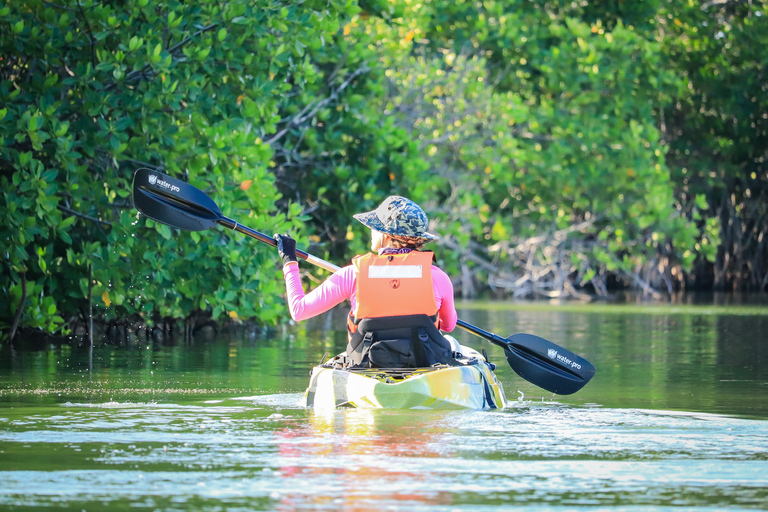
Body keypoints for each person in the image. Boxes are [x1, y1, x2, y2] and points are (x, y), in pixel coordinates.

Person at [274, 196, 462, 368]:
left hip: (367, 363)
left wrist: (289, 261)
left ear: (386, 236)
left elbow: (299, 311)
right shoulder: (438, 277)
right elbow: (448, 326)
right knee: (452, 342)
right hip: (424, 361)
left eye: (375, 227)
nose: (371, 231)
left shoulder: (352, 274)